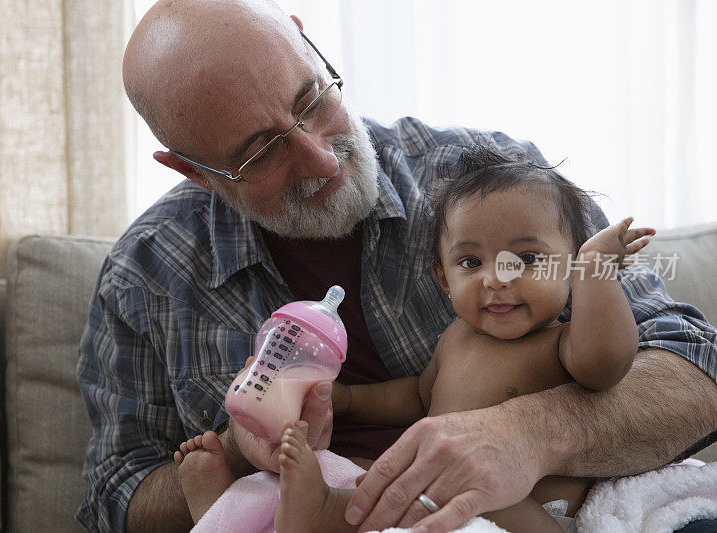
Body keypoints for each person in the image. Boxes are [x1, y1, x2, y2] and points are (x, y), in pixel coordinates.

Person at [75, 0, 717, 532]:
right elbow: (115, 492)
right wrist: (245, 452)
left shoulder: (488, 186)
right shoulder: (147, 275)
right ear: (192, 169)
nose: (322, 159)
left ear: (309, 44)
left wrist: (532, 433)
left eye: (310, 100)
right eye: (262, 152)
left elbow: (696, 366)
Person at [172, 145, 656, 532]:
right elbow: (415, 396)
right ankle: (242, 512)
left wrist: (596, 275)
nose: (496, 278)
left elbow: (606, 361)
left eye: (526, 259)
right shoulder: (454, 340)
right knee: (364, 479)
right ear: (443, 278)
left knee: (420, 497)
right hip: (437, 495)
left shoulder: (562, 343)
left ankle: (322, 512)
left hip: (527, 507)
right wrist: (349, 399)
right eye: (470, 263)